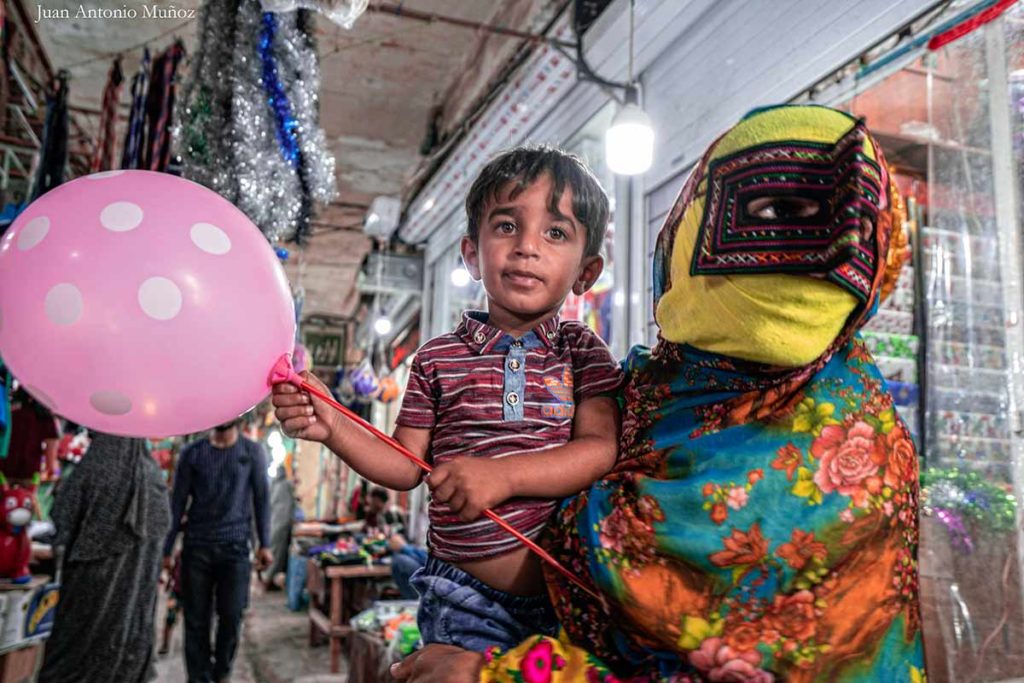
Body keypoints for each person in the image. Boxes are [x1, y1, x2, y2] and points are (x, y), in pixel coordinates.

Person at [392, 105, 924, 681]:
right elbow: (410, 456)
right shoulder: (654, 380)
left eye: (555, 233)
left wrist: (491, 675)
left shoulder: (848, 457)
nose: (527, 249)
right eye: (770, 211)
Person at [274, 145, 624, 652]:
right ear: (470, 254)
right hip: (464, 600)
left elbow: (599, 449)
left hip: (566, 598)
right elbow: (405, 465)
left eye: (555, 232)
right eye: (506, 226)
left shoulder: (583, 352)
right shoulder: (438, 358)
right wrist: (333, 424)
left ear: (586, 272)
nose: (528, 247)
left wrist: (502, 475)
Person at [39, 433, 171, 683]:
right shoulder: (154, 479)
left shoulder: (91, 470)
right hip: (134, 612)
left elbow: (59, 528)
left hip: (88, 600)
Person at [163, 417, 273, 683]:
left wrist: (265, 544)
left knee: (232, 615)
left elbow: (262, 500)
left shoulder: (252, 453)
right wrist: (166, 549)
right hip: (197, 548)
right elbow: (177, 504)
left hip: (235, 549)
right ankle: (199, 678)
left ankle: (221, 673)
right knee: (196, 620)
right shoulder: (193, 454)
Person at [263, 464, 295, 591]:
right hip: (283, 524)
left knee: (274, 552)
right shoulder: (287, 485)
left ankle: (269, 579)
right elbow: (291, 504)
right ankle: (268, 580)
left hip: (273, 524)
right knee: (278, 554)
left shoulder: (273, 486)